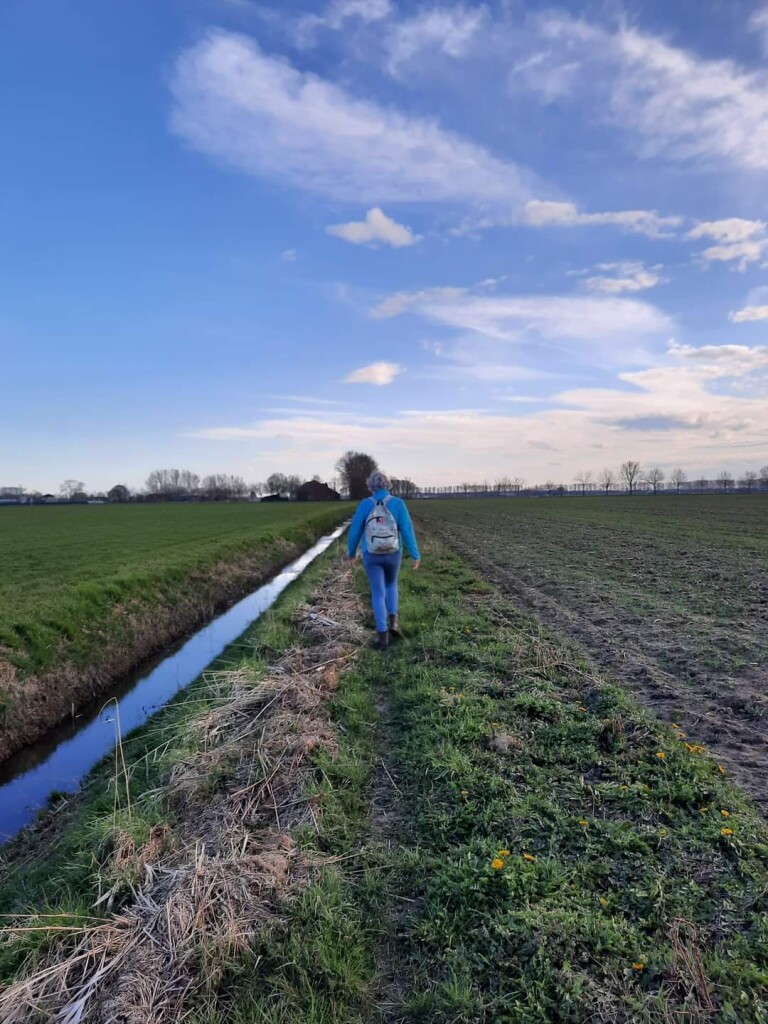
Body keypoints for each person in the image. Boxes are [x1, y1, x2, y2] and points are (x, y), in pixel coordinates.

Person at [347, 471, 421, 650]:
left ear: (370, 486)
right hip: (393, 552)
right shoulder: (398, 504)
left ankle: (382, 636)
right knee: (391, 585)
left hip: (371, 554)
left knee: (378, 592)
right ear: (388, 485)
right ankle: (394, 622)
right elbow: (407, 530)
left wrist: (351, 552)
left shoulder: (365, 505)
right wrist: (415, 554)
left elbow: (355, 530)